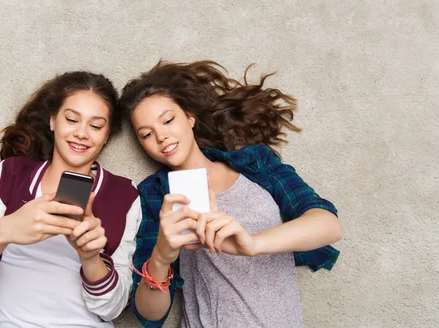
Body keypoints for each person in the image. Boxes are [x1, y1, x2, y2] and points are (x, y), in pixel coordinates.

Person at [119, 61, 343, 328]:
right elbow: (149, 315)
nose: (162, 136)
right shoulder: (155, 195)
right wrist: (161, 256)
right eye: (147, 134)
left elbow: (328, 224)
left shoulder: (255, 162)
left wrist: (252, 244)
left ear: (190, 117)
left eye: (168, 120)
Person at [0, 71, 141, 327]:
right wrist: (4, 231)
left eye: (95, 126)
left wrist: (90, 257)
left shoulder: (124, 194)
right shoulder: (12, 174)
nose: (82, 133)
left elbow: (112, 310)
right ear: (53, 121)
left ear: (106, 135)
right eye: (72, 119)